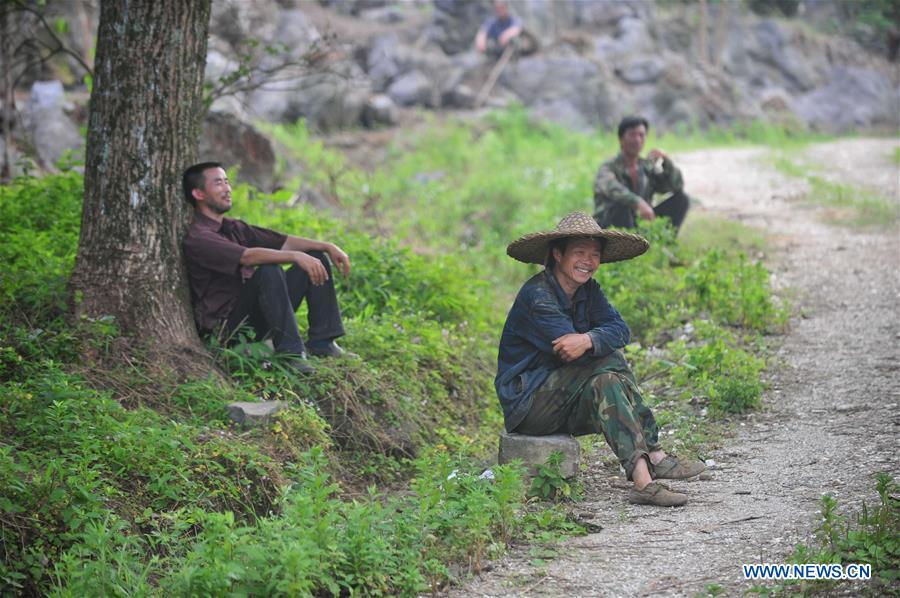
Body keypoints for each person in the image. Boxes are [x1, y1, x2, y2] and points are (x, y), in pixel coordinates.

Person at [496, 211, 705, 506]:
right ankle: (655, 453)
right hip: (530, 405)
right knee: (604, 360)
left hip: (566, 398)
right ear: (557, 254)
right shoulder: (538, 296)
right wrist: (592, 342)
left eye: (594, 254)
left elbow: (621, 329)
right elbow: (572, 355)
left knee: (607, 379)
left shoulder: (588, 291)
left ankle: (643, 481)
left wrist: (588, 339)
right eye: (579, 252)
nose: (588, 261)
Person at [181, 162, 353, 374]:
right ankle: (291, 354)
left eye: (227, 181)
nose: (227, 188)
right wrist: (294, 257)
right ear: (198, 193)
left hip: (256, 315)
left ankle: (323, 342)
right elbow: (247, 257)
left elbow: (282, 241)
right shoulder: (199, 237)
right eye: (218, 183)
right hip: (229, 328)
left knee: (315, 256)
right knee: (269, 270)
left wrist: (326, 246)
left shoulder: (232, 227)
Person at [593, 116, 691, 234]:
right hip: (610, 226)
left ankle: (664, 241)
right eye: (632, 135)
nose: (637, 140)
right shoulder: (608, 167)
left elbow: (675, 186)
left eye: (641, 135)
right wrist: (638, 203)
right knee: (622, 205)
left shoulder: (646, 167)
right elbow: (611, 188)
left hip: (639, 222)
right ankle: (626, 246)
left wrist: (666, 162)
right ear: (621, 139)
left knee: (681, 199)